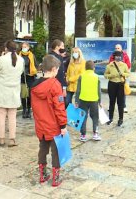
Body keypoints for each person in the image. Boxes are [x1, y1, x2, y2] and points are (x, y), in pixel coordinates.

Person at [31, 55, 67, 187]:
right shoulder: (55, 84)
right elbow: (59, 107)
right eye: (57, 69)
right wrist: (63, 125)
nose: (58, 71)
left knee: (43, 149)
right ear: (53, 69)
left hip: (40, 124)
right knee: (55, 151)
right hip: (53, 125)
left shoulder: (34, 85)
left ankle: (43, 175)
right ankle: (55, 179)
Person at [0, 41, 24, 146]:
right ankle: (12, 139)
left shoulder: (2, 59)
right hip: (14, 90)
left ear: (6, 48)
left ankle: (1, 139)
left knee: (1, 116)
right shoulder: (21, 60)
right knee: (12, 116)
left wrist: (1, 58)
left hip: (2, 90)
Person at [75, 60, 101, 142]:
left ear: (85, 67)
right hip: (94, 100)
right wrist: (100, 101)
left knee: (83, 117)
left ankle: (83, 135)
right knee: (95, 117)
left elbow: (78, 90)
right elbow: (98, 90)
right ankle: (95, 134)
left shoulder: (81, 76)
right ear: (94, 68)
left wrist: (76, 101)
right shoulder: (96, 77)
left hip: (83, 100)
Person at [104, 51, 130, 127]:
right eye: (117, 56)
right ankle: (110, 118)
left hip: (120, 85)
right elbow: (105, 75)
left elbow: (128, 74)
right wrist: (111, 75)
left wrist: (123, 74)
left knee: (120, 103)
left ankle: (120, 119)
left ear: (121, 57)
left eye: (120, 56)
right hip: (112, 84)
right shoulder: (110, 65)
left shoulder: (124, 65)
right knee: (112, 102)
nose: (118, 57)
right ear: (114, 57)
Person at [109, 44, 131, 113]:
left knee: (122, 93)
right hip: (114, 79)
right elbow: (109, 65)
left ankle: (124, 106)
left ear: (121, 49)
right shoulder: (112, 56)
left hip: (122, 78)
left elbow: (128, 65)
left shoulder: (125, 56)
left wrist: (122, 66)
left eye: (118, 48)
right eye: (115, 48)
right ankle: (111, 107)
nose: (117, 49)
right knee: (112, 94)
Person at [19, 42, 37, 118]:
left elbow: (35, 65)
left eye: (25, 47)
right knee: (23, 94)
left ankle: (29, 110)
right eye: (23, 47)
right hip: (22, 77)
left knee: (29, 95)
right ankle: (24, 109)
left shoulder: (32, 56)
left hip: (30, 77)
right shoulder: (18, 55)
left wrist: (33, 72)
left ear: (28, 47)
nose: (24, 48)